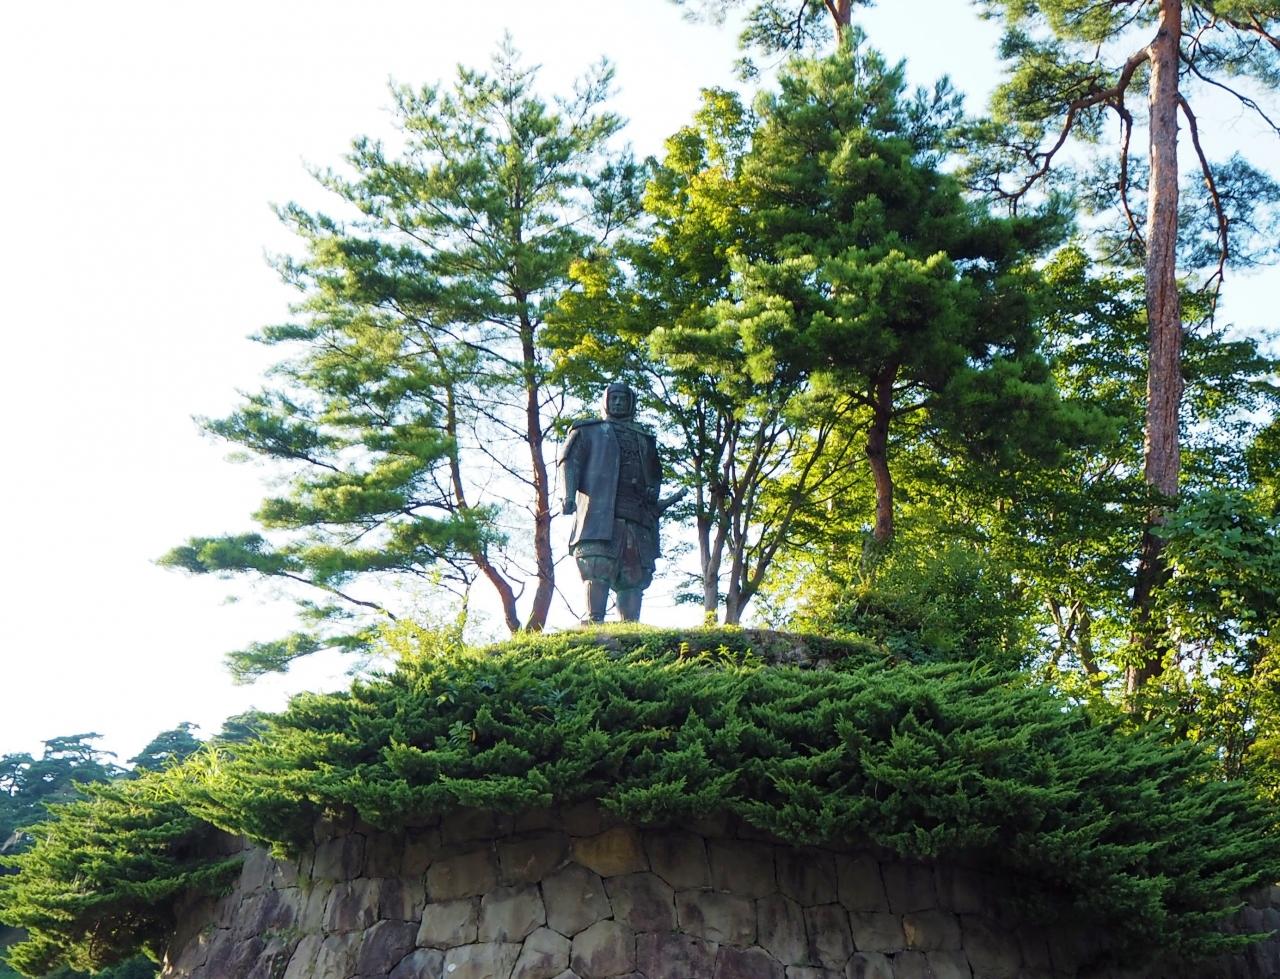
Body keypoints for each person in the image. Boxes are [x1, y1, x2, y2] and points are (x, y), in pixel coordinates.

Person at [560, 382, 682, 623]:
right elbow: (569, 461)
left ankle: (630, 626)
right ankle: (594, 618)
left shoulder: (644, 438)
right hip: (599, 514)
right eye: (613, 398)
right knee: (597, 564)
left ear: (631, 403)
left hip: (637, 515)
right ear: (605, 401)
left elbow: (654, 475)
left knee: (633, 573)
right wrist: (568, 495)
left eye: (623, 399)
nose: (618, 403)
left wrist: (652, 493)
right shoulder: (589, 431)